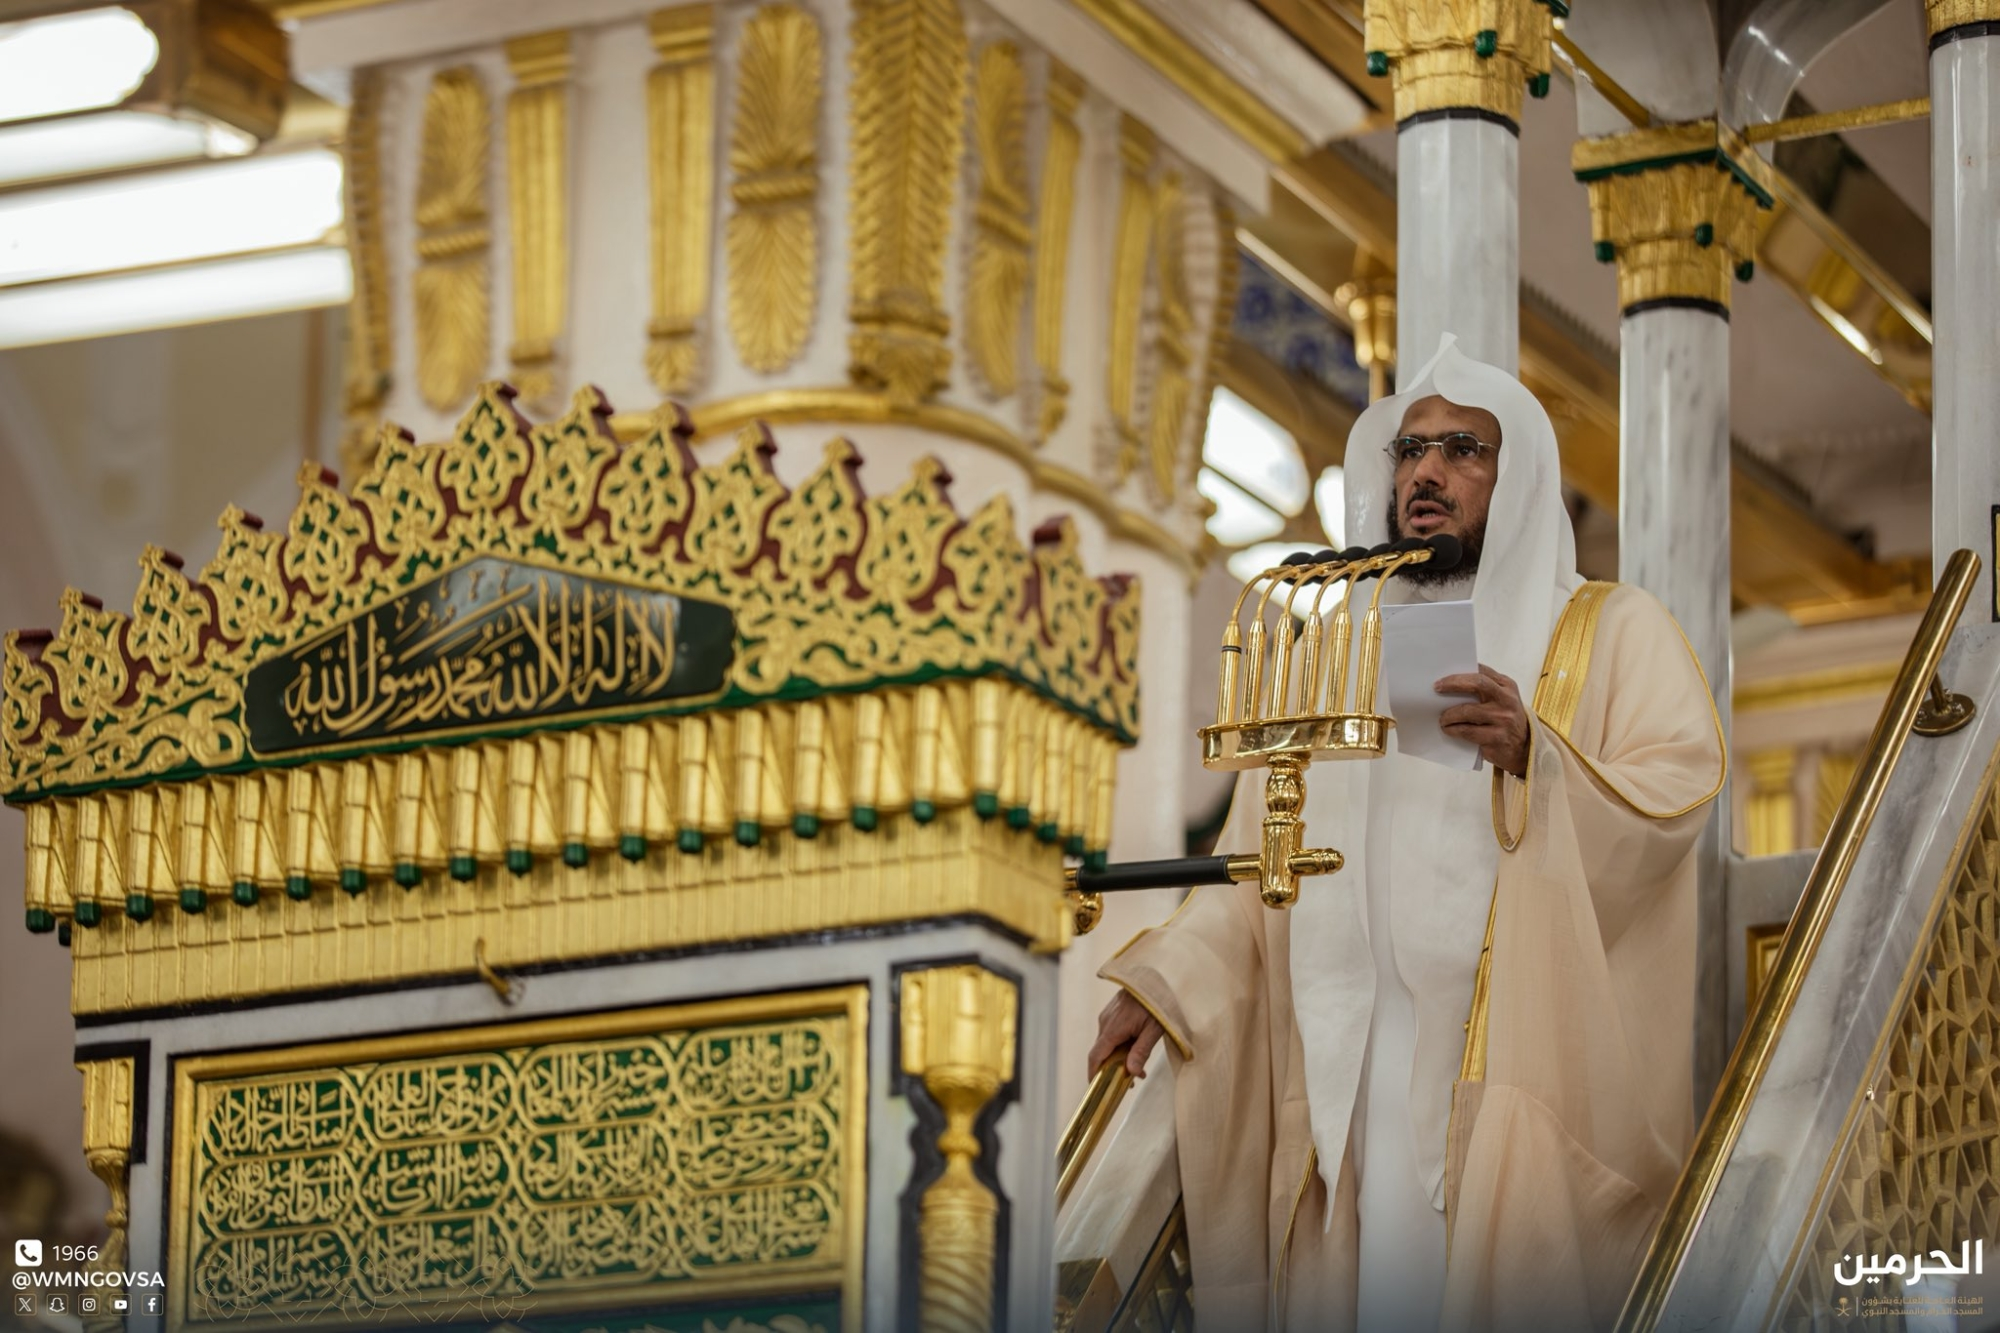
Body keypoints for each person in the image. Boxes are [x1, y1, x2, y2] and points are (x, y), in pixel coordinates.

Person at [1086, 335, 1726, 1332]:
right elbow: (1259, 873)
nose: (1427, 472)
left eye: (1463, 449)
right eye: (1411, 450)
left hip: (1506, 1085)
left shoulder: (1609, 630)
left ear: (1519, 479)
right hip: (1345, 1085)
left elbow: (1672, 793)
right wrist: (1163, 978)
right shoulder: (1330, 652)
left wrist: (1537, 757)